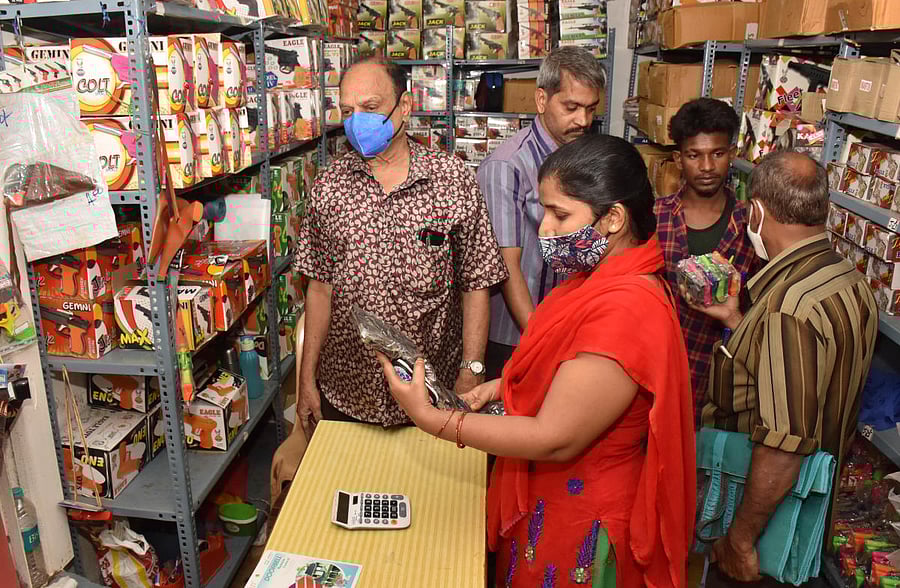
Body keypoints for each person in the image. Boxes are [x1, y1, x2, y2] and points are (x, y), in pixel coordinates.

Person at [379, 135, 696, 586]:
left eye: (560, 214)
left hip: (582, 522)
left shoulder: (626, 308)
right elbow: (558, 373)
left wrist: (432, 419)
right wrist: (502, 387)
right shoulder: (593, 282)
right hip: (551, 502)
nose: (544, 228)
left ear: (613, 219)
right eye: (544, 210)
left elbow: (554, 438)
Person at [270, 59, 508, 498]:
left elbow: (478, 282)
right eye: (346, 111)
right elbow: (318, 288)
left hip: (430, 393)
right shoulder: (328, 186)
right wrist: (306, 382)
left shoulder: (452, 179)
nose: (356, 122)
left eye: (370, 106)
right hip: (347, 392)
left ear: (406, 106)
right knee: (345, 516)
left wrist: (471, 373)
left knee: (431, 518)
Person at [687, 152, 878, 586]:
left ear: (756, 212)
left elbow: (783, 445)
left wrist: (739, 541)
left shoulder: (788, 307)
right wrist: (736, 321)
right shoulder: (845, 277)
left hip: (767, 529)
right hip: (808, 516)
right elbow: (800, 374)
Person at [477, 47, 606, 380]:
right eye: (571, 107)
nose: (583, 121)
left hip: (566, 328)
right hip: (516, 336)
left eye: (591, 109)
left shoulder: (580, 157)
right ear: (541, 100)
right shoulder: (508, 166)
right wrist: (539, 337)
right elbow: (507, 267)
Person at [654, 98, 760, 422]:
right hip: (656, 369)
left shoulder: (751, 225)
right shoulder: (655, 217)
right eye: (693, 155)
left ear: (732, 154)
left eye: (717, 153)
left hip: (721, 380)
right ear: (677, 158)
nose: (707, 167)